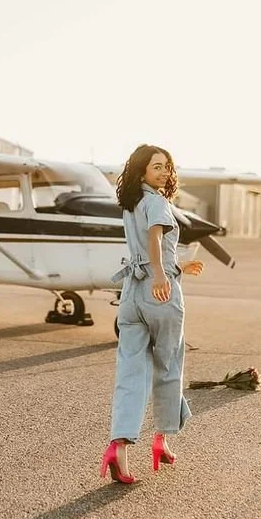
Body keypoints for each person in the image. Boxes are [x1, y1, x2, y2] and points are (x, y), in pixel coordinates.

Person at [100, 144, 203, 484]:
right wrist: (162, 274)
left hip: (130, 294)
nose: (163, 172)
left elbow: (144, 248)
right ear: (142, 170)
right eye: (156, 166)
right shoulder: (158, 203)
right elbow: (155, 240)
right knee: (168, 365)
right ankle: (161, 439)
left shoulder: (132, 205)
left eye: (167, 167)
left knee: (130, 372)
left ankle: (119, 446)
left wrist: (179, 266)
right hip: (159, 292)